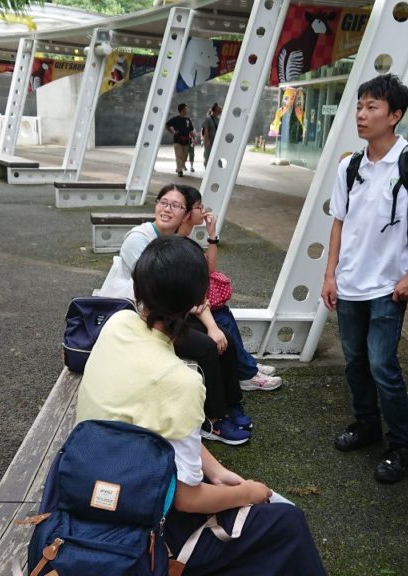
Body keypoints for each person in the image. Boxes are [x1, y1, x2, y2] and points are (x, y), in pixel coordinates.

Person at [77, 236, 328, 576]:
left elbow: (163, 425)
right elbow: (186, 499)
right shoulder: (181, 381)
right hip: (139, 517)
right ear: (198, 301)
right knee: (287, 520)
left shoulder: (118, 324)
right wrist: (249, 492)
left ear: (139, 289)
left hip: (90, 479)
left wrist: (217, 471)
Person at [320, 74, 408, 484]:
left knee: (382, 365)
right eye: (360, 106)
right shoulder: (350, 165)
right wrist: (330, 274)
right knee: (355, 361)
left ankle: (401, 445)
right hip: (350, 282)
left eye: (372, 107)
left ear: (395, 115)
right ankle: (366, 423)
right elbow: (338, 221)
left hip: (388, 286)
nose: (361, 114)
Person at [98, 184, 252, 445]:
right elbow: (160, 294)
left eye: (176, 206)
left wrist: (212, 326)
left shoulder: (177, 242)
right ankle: (212, 421)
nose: (167, 209)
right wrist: (207, 324)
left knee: (222, 333)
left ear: (185, 215)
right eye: (163, 202)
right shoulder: (140, 240)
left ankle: (231, 403)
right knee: (205, 346)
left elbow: (199, 285)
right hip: (138, 319)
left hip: (165, 313)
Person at [175, 185, 282, 391]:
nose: (204, 209)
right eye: (199, 206)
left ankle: (246, 365)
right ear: (188, 213)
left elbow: (210, 269)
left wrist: (212, 235)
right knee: (221, 318)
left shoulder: (184, 239)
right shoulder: (176, 242)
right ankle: (247, 373)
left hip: (189, 305)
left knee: (223, 311)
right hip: (179, 311)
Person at [166, 103, 196, 177]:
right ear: (182, 110)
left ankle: (179, 167)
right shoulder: (175, 119)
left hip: (186, 141)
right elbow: (167, 125)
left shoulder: (188, 120)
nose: (187, 110)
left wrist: (194, 138)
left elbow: (191, 130)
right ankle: (180, 171)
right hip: (178, 141)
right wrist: (173, 132)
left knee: (184, 157)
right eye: (186, 109)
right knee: (179, 155)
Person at [201, 103, 221, 168]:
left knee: (217, 156)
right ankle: (207, 170)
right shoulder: (208, 119)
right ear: (215, 110)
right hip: (209, 142)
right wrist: (207, 141)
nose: (221, 110)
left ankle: (217, 170)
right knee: (208, 157)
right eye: (219, 109)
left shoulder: (219, 120)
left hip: (217, 142)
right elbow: (206, 131)